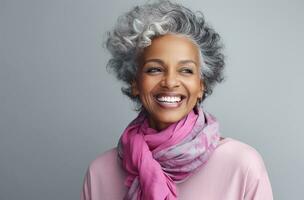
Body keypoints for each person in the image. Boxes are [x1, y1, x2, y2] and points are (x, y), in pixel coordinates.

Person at [81, 0, 273, 199]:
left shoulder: (241, 164)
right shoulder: (100, 172)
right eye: (154, 69)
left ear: (202, 85)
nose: (170, 82)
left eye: (186, 70)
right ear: (135, 82)